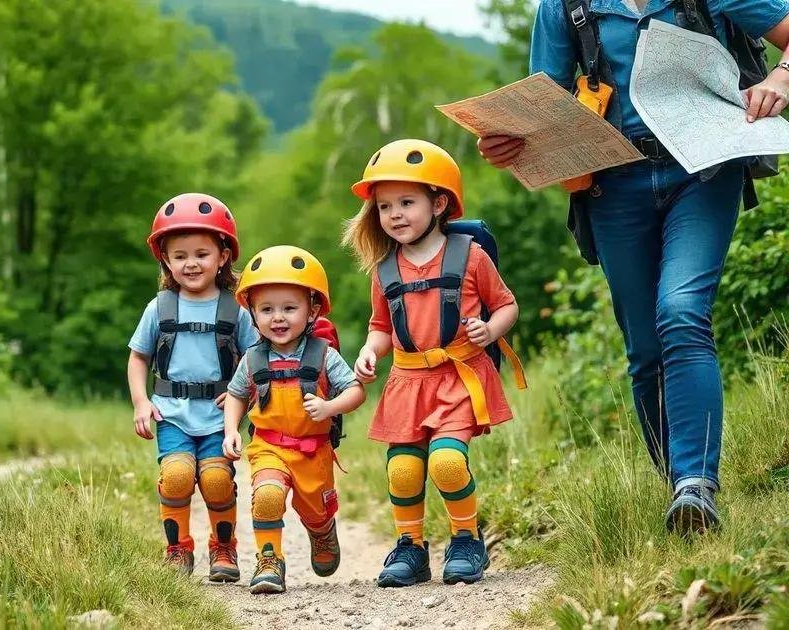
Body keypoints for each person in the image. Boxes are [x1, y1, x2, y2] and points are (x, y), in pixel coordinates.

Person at [478, 0, 789, 534]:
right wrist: (510, 143)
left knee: (681, 310)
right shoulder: (564, 6)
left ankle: (697, 483)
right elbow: (543, 107)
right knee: (644, 349)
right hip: (613, 185)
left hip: (704, 169)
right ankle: (681, 495)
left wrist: (782, 77)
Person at [345, 140, 523, 587]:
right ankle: (411, 548)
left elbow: (506, 305)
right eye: (385, 206)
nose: (395, 214)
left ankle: (466, 539)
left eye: (407, 202)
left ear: (439, 203)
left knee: (446, 461)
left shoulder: (469, 255)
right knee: (403, 468)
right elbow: (380, 327)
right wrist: (370, 351)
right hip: (407, 380)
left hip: (458, 377)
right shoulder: (384, 268)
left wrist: (491, 331)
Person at [127, 192, 259, 581]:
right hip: (172, 413)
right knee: (178, 476)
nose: (191, 263)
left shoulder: (236, 309)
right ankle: (177, 549)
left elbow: (256, 360)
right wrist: (140, 402)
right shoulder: (160, 308)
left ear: (223, 256)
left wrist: (244, 395)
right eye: (180, 255)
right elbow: (138, 357)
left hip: (219, 415)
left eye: (201, 253)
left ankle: (224, 549)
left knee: (218, 480)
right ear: (165, 259)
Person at [222, 246, 366, 595]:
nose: (278, 318)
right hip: (269, 446)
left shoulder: (323, 355)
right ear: (252, 314)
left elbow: (355, 391)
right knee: (267, 495)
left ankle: (321, 530)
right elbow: (238, 394)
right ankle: (269, 560)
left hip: (312, 452)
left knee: (315, 510)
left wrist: (330, 407)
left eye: (290, 308)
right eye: (267, 309)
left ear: (312, 309)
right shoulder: (252, 359)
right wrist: (231, 431)